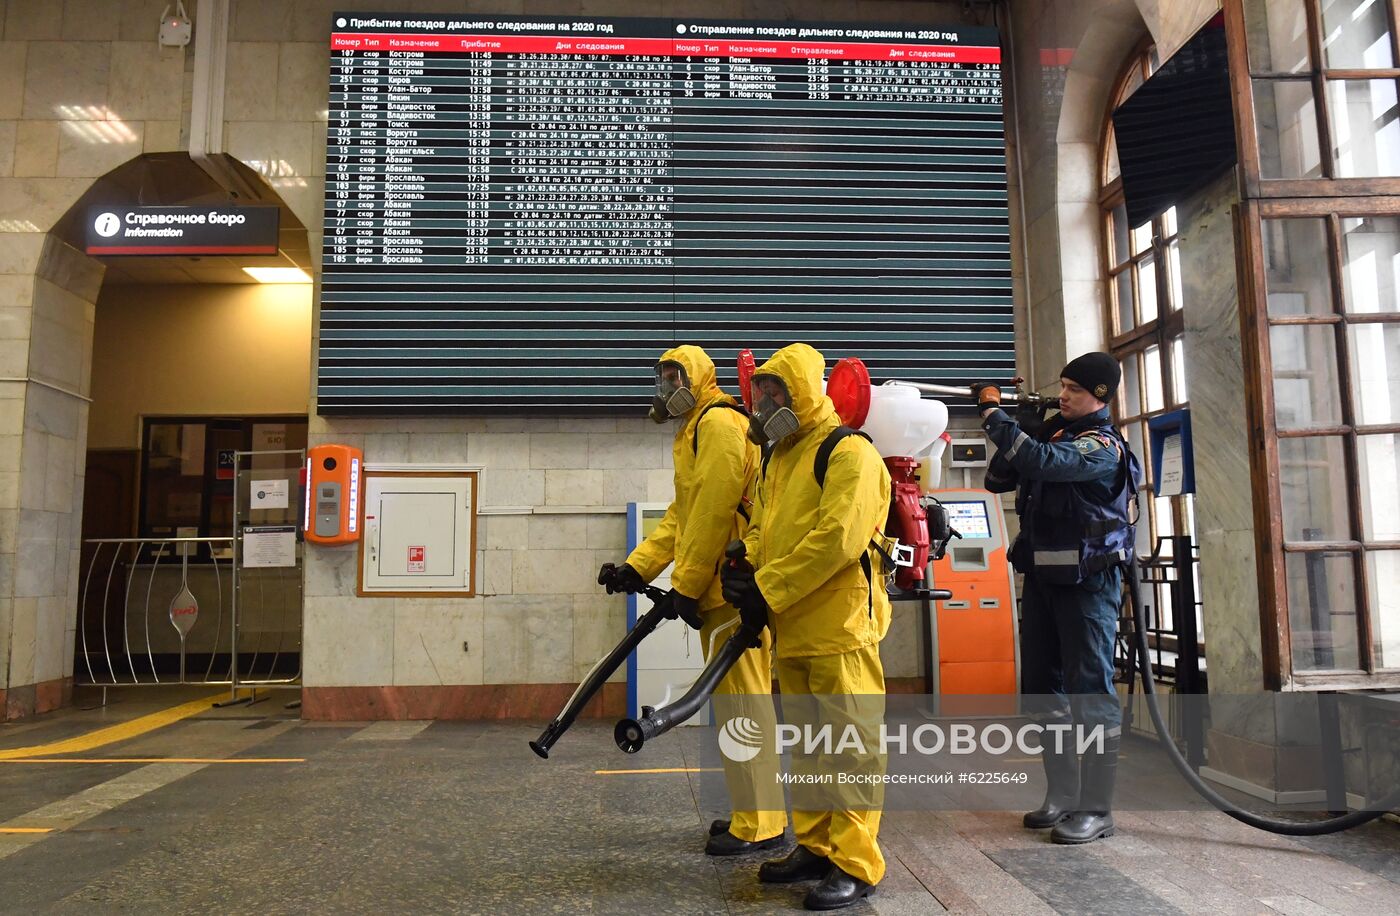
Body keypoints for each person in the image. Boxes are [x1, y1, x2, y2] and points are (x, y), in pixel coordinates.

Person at [596, 345, 787, 857]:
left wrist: (688, 582)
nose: (665, 386)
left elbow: (715, 510)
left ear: (698, 378)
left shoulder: (720, 424)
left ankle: (762, 822)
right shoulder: (696, 429)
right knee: (733, 706)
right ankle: (754, 813)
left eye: (673, 376)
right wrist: (638, 565)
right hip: (719, 585)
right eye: (660, 377)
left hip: (733, 585)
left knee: (744, 705)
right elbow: (684, 514)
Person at [720, 343, 892, 910]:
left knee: (851, 748)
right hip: (792, 627)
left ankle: (856, 862)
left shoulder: (849, 452)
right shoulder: (778, 456)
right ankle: (816, 846)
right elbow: (771, 527)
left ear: (806, 391)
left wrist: (767, 587)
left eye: (777, 392)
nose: (765, 403)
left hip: (840, 628)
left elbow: (838, 539)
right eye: (760, 393)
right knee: (812, 746)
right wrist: (743, 558)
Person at [973, 351, 1141, 845]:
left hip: (1089, 584)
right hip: (1045, 581)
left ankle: (1096, 809)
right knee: (1044, 692)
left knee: (1090, 691)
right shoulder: (1055, 435)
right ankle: (1062, 796)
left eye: (1073, 389)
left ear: (1101, 397)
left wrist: (996, 417)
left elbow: (1042, 463)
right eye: (1061, 386)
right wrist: (1024, 427)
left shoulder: (1102, 447)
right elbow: (999, 479)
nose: (1063, 395)